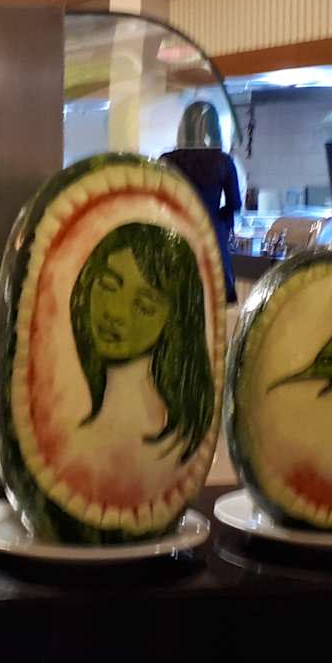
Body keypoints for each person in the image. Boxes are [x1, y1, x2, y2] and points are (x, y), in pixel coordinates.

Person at [67, 222, 214, 465]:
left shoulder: (165, 434)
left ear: (175, 321)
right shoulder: (73, 399)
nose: (115, 312)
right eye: (108, 285)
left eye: (144, 306)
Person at [161, 101, 242, 303]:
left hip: (176, 232)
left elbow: (159, 199)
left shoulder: (167, 160)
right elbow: (234, 204)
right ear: (215, 129)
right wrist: (221, 221)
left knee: (176, 297)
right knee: (213, 299)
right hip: (211, 234)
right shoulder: (223, 161)